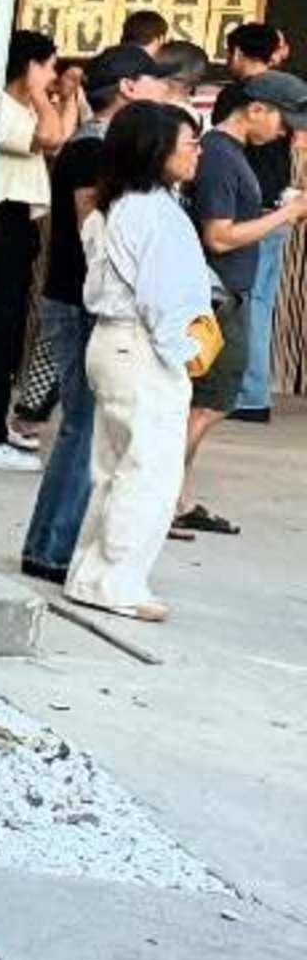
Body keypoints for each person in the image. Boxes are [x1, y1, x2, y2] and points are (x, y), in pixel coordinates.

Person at [19, 49, 173, 582]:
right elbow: (96, 236)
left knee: (88, 427)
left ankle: (53, 546)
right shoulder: (91, 149)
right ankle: (51, 550)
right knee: (83, 427)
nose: (164, 90)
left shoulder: (107, 148)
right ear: (128, 86)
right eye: (156, 81)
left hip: (87, 301)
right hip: (81, 303)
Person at [69, 100, 214, 622]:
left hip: (113, 342)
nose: (197, 152)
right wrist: (187, 352)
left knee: (114, 467)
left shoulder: (117, 205)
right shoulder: (153, 212)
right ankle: (117, 582)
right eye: (190, 143)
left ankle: (91, 575)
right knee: (149, 471)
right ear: (158, 151)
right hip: (143, 345)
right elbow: (163, 297)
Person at [173, 66, 307, 542]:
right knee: (206, 403)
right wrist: (286, 214)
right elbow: (219, 236)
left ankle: (174, 496)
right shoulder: (220, 157)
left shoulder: (229, 155)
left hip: (227, 292)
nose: (286, 132)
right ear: (256, 109)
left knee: (208, 402)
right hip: (217, 296)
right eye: (283, 121)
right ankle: (165, 496)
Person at [0, 31, 80, 468]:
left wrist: (67, 95)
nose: (53, 75)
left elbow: (61, 132)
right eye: (49, 66)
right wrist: (40, 93)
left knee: (4, 328)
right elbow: (50, 138)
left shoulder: (18, 106)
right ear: (29, 66)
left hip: (12, 220)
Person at [222, 21, 295, 425]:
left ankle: (244, 393)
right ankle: (253, 393)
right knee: (261, 303)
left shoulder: (239, 97)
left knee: (241, 302)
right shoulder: (286, 93)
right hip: (278, 207)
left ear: (236, 53)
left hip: (244, 215)